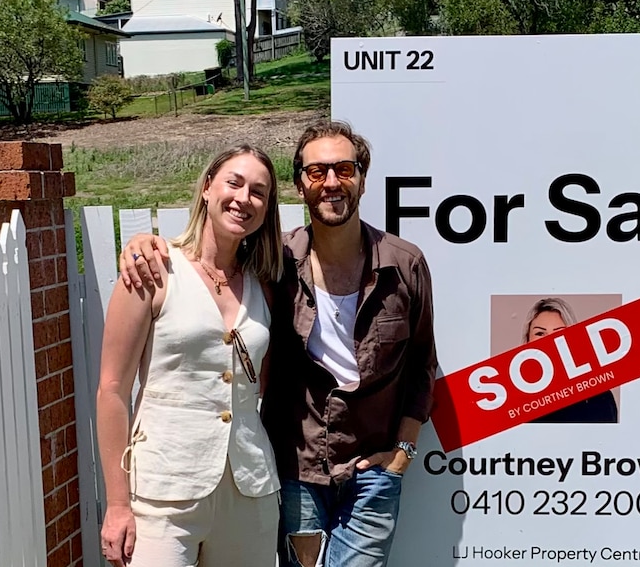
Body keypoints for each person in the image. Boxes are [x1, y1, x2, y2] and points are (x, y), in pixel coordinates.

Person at [119, 120, 439, 567]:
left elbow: (423, 366)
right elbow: (208, 257)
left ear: (362, 179)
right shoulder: (275, 264)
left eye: (344, 169)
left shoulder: (405, 266)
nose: (331, 182)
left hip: (372, 474)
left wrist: (402, 453)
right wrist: (143, 244)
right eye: (316, 172)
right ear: (299, 185)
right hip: (296, 469)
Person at [96, 144, 284, 567]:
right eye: (233, 183)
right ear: (206, 188)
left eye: (258, 191)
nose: (243, 198)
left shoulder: (265, 284)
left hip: (249, 490)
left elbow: (264, 389)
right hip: (163, 490)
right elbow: (111, 389)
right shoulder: (152, 270)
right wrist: (117, 504)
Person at [522, 297, 619, 424]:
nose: (549, 341)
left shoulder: (598, 396)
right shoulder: (513, 398)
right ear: (527, 340)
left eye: (559, 333)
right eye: (540, 333)